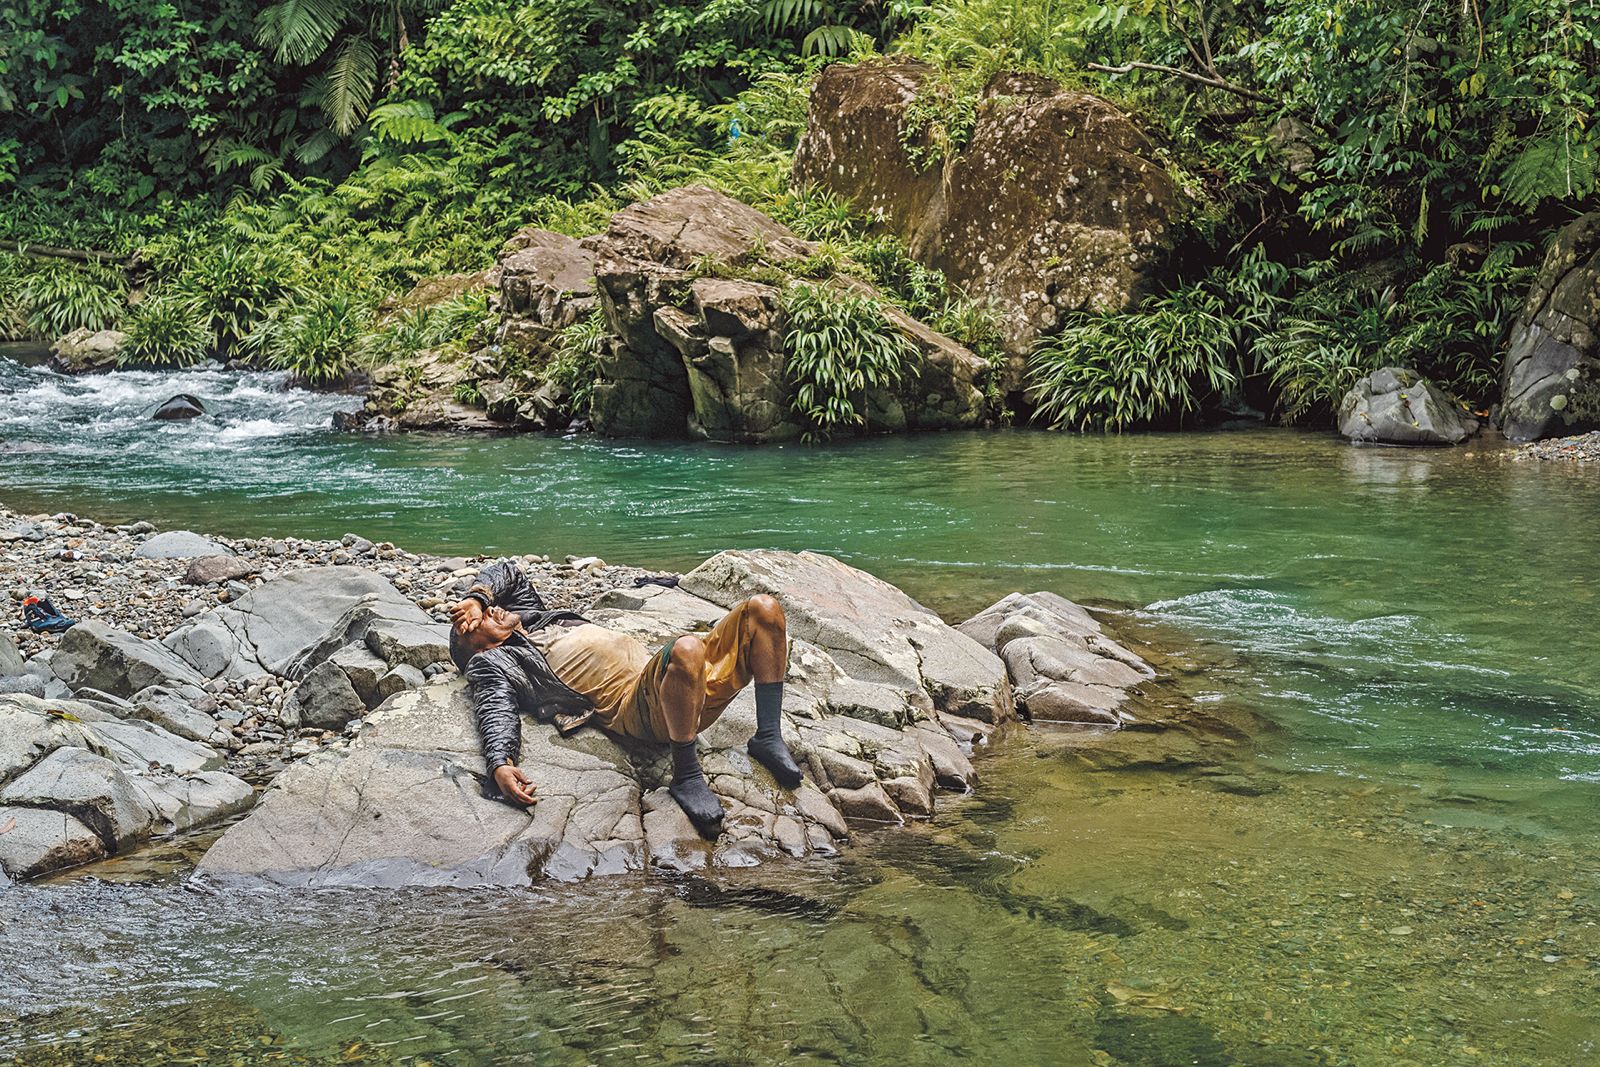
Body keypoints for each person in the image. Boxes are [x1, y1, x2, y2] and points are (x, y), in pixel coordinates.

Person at [448, 560, 805, 834]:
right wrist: (500, 764)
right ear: (478, 647)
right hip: (641, 708)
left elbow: (508, 572)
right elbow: (494, 706)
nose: (493, 611)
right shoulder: (498, 661)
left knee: (764, 609)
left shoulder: (535, 618)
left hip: (683, 682)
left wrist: (476, 598)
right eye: (476, 623)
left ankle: (768, 736)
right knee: (687, 648)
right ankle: (686, 775)